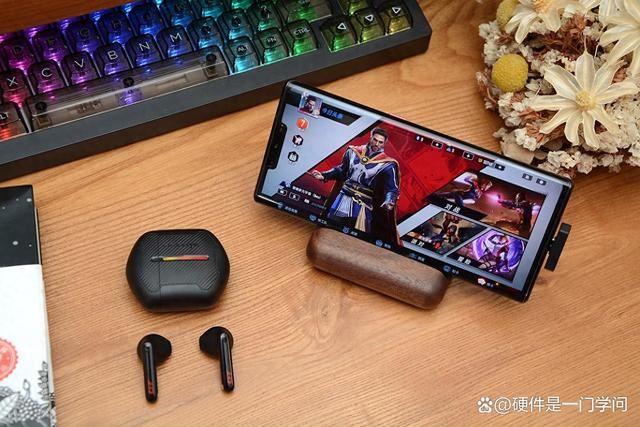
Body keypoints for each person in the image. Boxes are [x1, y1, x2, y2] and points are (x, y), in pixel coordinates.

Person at [310, 127, 400, 243]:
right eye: (375, 140)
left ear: (384, 143)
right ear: (371, 138)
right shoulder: (353, 152)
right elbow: (341, 171)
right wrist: (324, 175)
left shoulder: (387, 164)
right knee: (330, 228)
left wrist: (389, 201)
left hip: (363, 204)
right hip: (343, 197)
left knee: (356, 239)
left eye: (380, 142)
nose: (377, 144)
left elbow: (392, 188)